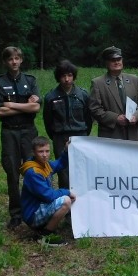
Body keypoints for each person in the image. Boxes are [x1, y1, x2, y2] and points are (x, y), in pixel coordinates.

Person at [0, 46, 40, 228]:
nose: (14, 62)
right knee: (12, 172)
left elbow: (36, 108)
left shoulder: (30, 80)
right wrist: (24, 105)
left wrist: (11, 105)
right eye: (10, 59)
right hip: (10, 132)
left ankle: (34, 210)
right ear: (5, 61)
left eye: (17, 58)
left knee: (32, 171)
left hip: (28, 131)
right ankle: (16, 214)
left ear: (21, 60)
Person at [43, 60, 93, 188]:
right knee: (63, 172)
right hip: (60, 136)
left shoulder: (83, 94)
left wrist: (83, 134)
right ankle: (66, 204)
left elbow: (88, 118)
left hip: (80, 135)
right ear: (58, 77)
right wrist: (56, 135)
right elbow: (48, 121)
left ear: (73, 76)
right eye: (63, 76)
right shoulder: (51, 97)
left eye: (69, 75)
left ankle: (82, 202)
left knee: (81, 169)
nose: (66, 79)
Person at [20, 136, 75, 235]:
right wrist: (67, 192)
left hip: (40, 207)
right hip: (33, 214)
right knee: (66, 201)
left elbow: (60, 164)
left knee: (67, 199)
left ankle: (45, 226)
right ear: (33, 152)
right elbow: (48, 195)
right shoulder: (33, 172)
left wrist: (66, 151)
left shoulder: (44, 164)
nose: (45, 155)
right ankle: (45, 234)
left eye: (47, 151)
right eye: (41, 152)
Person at [89, 46, 138, 140]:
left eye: (119, 59)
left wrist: (136, 116)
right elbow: (94, 108)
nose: (116, 62)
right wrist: (115, 118)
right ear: (106, 63)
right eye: (112, 60)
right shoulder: (98, 83)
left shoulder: (134, 79)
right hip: (111, 134)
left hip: (133, 134)